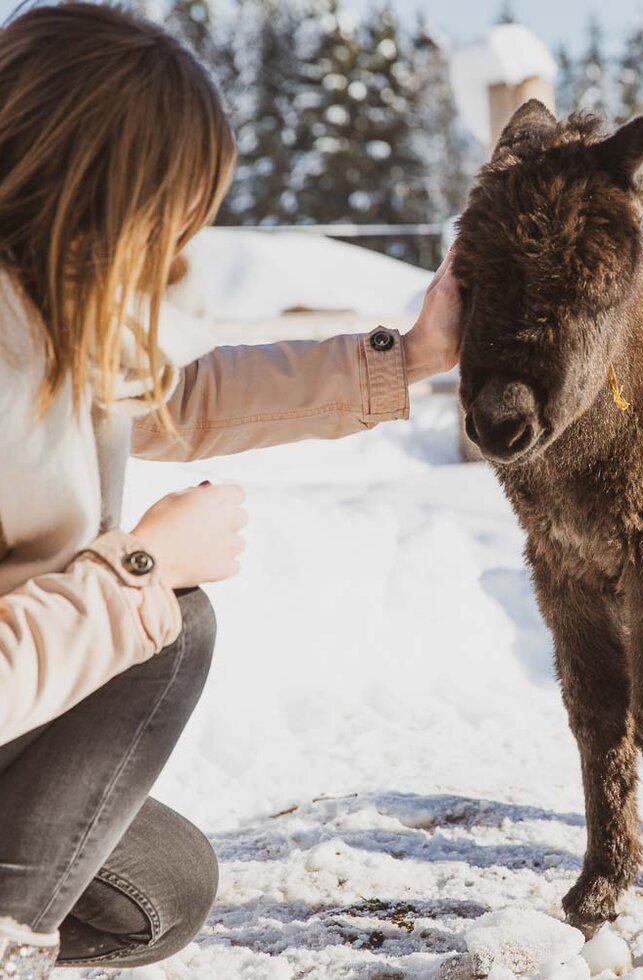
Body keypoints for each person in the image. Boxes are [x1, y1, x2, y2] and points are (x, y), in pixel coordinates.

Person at [0, 3, 462, 974]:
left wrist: (407, 357)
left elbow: (186, 397)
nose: (176, 257)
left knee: (164, 885)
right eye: (171, 219)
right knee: (169, 631)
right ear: (102, 194)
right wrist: (140, 567)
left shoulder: (53, 311)